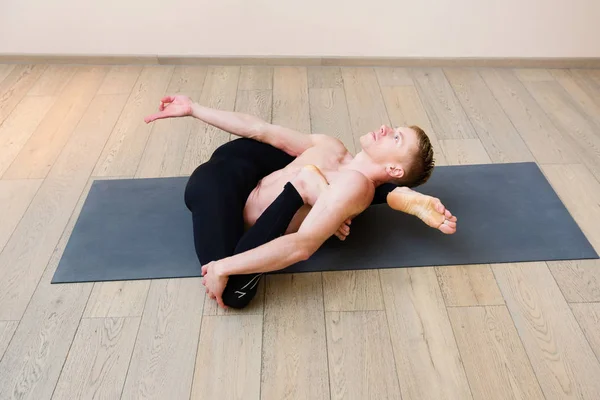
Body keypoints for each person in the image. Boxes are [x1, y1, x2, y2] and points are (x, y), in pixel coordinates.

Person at [144, 95, 457, 309]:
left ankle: (378, 193)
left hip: (220, 186)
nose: (386, 128)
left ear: (394, 169)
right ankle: (390, 194)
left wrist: (222, 266)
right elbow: (261, 130)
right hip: (235, 176)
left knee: (233, 294)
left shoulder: (353, 184)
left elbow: (303, 245)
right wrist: (193, 108)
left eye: (396, 138)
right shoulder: (333, 147)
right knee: (274, 142)